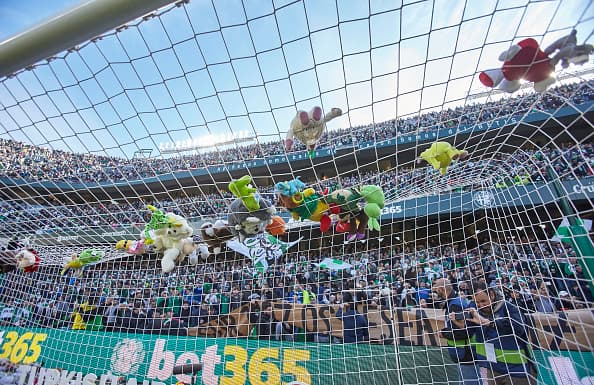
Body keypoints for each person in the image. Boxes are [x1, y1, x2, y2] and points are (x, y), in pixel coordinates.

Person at [468, 280, 535, 385]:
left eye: (483, 301)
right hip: (493, 370)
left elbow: (518, 328)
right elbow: (469, 332)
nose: (480, 305)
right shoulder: (475, 312)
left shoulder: (509, 307)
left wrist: (490, 323)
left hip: (518, 372)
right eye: (477, 302)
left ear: (492, 295)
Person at [432, 278, 481, 385]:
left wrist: (443, 333)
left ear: (441, 289)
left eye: (435, 291)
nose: (435, 294)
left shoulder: (455, 305)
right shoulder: (455, 302)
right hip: (464, 354)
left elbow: (464, 331)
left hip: (466, 354)